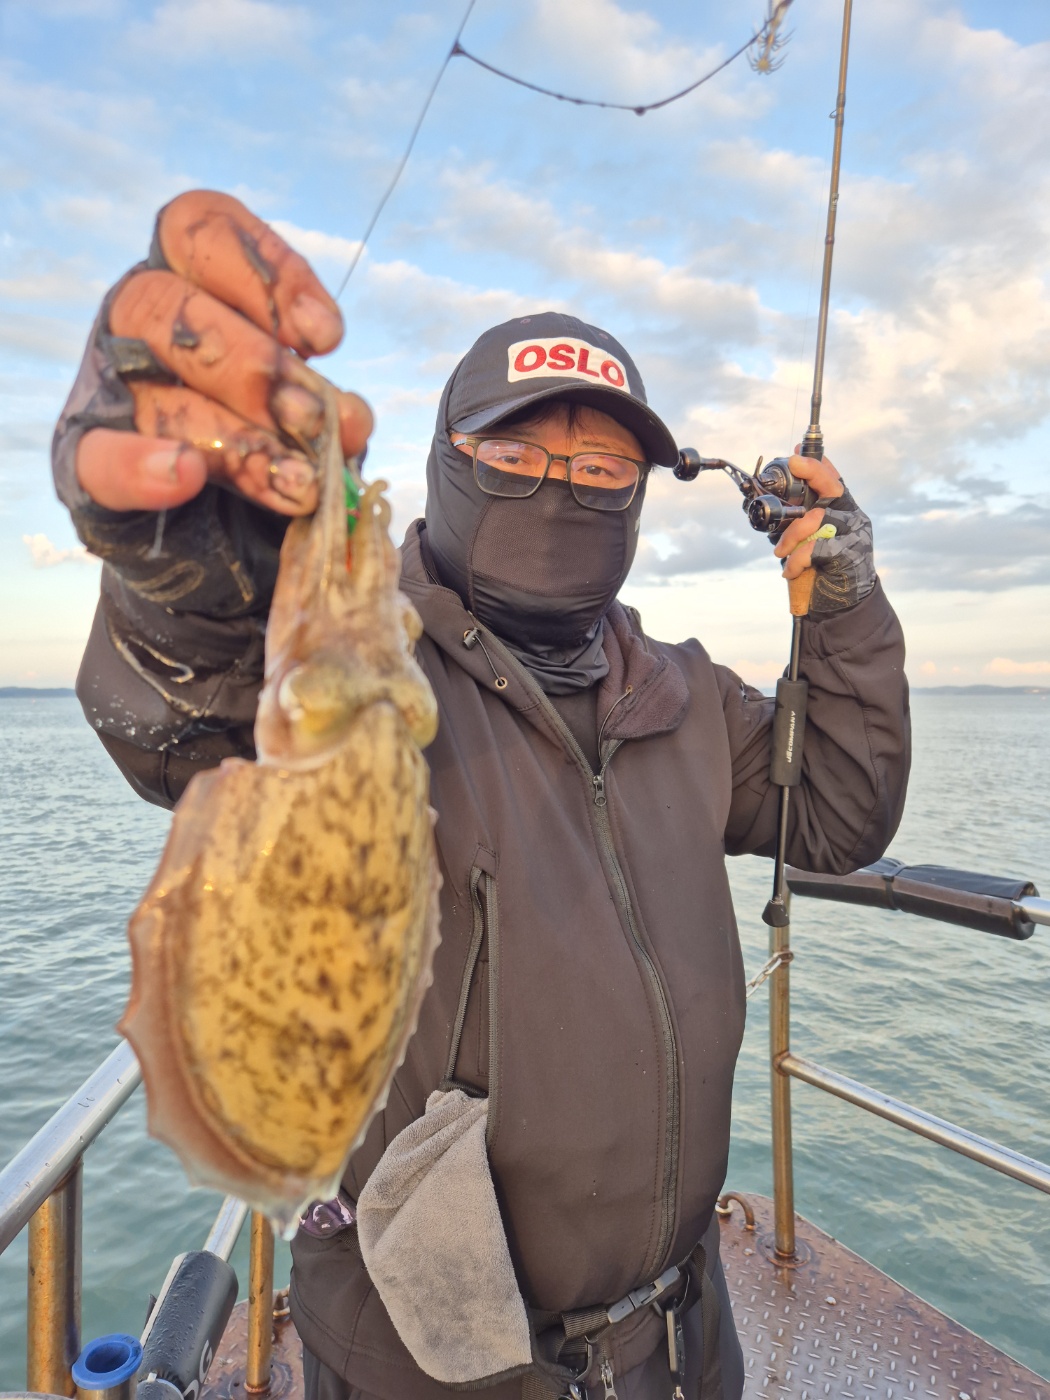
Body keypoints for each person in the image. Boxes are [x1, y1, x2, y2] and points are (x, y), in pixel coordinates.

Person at [52, 191, 910, 1400]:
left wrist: (845, 602)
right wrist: (178, 557)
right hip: (425, 1355)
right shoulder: (367, 664)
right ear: (447, 463)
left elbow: (838, 811)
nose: (560, 488)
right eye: (512, 457)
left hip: (680, 1337)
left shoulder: (689, 696)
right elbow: (196, 705)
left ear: (642, 491)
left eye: (601, 467)